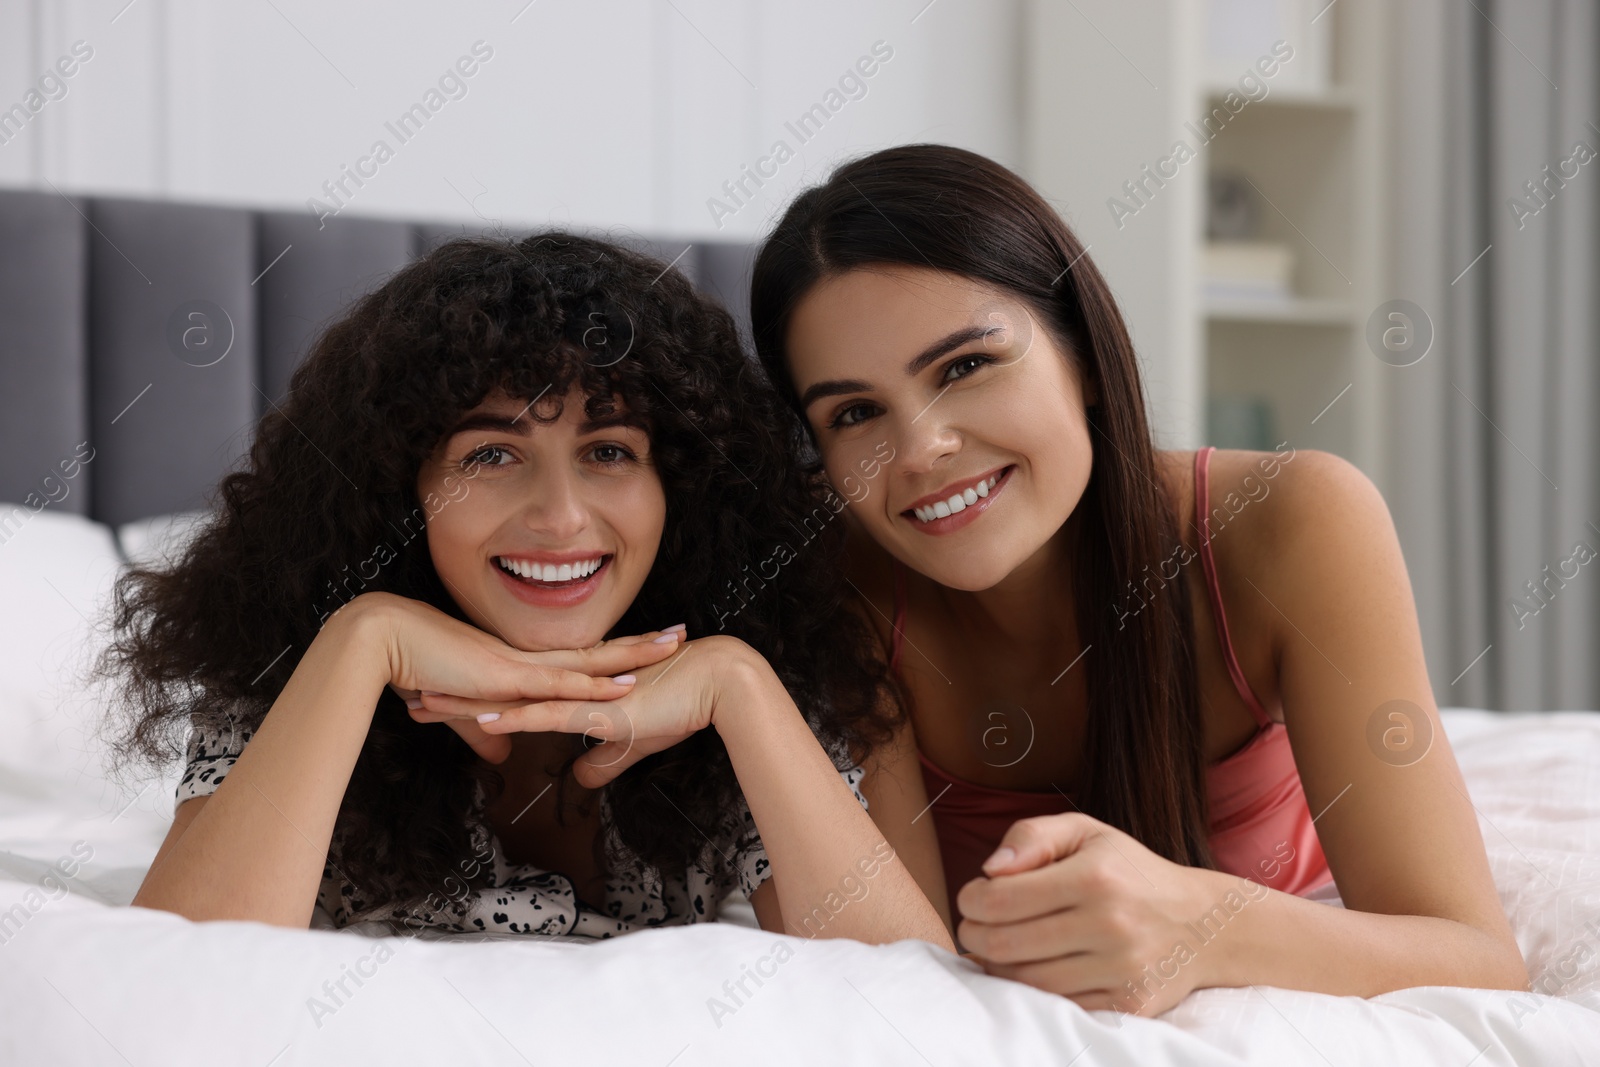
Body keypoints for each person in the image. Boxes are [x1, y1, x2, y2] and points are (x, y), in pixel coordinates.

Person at [748, 143, 1529, 1013]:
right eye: (855, 413)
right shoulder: (835, 588)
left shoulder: (1292, 521)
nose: (923, 448)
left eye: (965, 366)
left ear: (1080, 351)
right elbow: (901, 974)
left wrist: (1203, 925)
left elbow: (1478, 958)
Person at [102, 232, 951, 949]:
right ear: (402, 490)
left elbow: (914, 1012)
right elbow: (177, 986)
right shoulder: (293, 661)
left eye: (609, 451)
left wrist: (740, 687)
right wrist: (362, 641)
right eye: (491, 455)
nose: (559, 517)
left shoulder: (767, 670)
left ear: (680, 489)